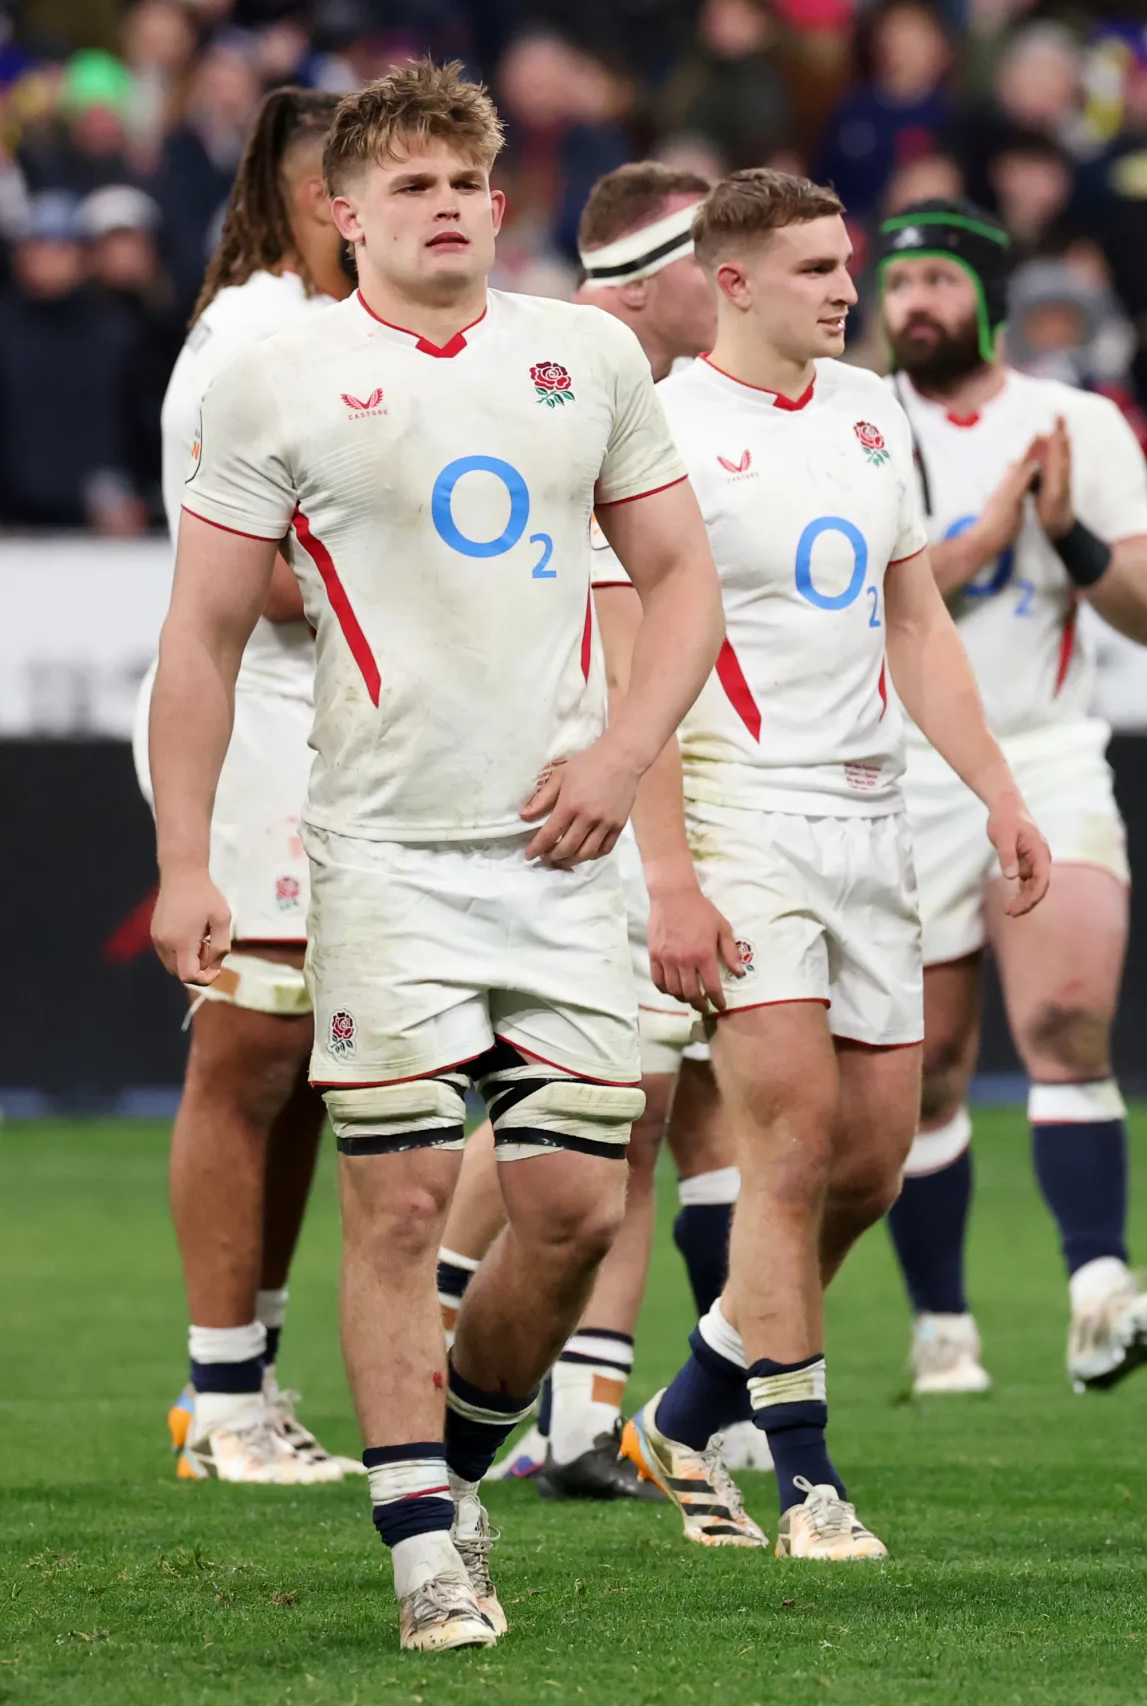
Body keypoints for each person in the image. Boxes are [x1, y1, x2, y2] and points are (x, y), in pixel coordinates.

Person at [148, 62, 724, 1652]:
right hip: (383, 851)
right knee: (397, 1205)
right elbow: (197, 639)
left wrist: (621, 757)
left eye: (468, 180)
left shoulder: (584, 355)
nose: (450, 207)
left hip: (561, 855)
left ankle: (455, 1462)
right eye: (411, 186)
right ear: (342, 215)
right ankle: (420, 1548)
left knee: (571, 1215)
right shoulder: (278, 376)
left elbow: (678, 582)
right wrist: (184, 857)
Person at [618, 171, 1049, 1562]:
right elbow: (638, 671)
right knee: (788, 1146)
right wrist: (670, 874)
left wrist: (997, 792)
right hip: (742, 812)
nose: (849, 289)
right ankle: (805, 1478)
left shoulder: (870, 413)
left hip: (879, 820)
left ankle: (683, 1412)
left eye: (846, 263)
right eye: (816, 269)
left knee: (872, 1164)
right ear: (730, 282)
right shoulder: (663, 427)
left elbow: (915, 622)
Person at [434, 161, 724, 1501]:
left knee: (625, 1114)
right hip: (575, 801)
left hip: (575, 788)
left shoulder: (594, 369)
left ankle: (570, 1413)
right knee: (581, 1105)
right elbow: (623, 641)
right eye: (710, 261)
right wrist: (664, 870)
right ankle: (449, 1361)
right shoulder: (587, 379)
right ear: (662, 274)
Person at [872, 200, 1147, 1396]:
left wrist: (1071, 541)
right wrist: (984, 532)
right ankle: (941, 1327)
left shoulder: (1075, 423)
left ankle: (1096, 1293)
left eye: (940, 283)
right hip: (894, 768)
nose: (914, 308)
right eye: (898, 288)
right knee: (928, 1066)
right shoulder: (855, 424)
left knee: (1062, 1017)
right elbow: (869, 605)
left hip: (1044, 751)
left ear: (988, 298)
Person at [133, 87, 356, 1487]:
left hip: (333, 735)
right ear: (287, 194)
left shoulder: (327, 328)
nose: (367, 208)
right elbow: (257, 580)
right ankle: (220, 1392)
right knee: (251, 1054)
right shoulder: (262, 336)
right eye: (348, 182)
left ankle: (249, 1380)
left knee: (309, 1074)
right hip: (264, 728)